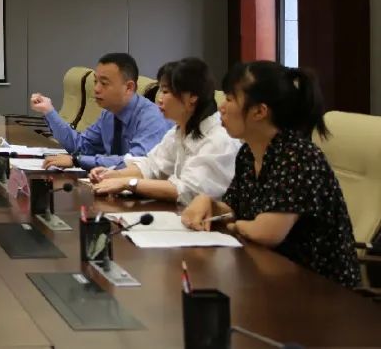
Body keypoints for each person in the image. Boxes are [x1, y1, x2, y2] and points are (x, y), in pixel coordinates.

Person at [181, 61, 360, 289]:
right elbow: (233, 207)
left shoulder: (298, 157)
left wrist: (236, 225)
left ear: (259, 111)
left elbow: (267, 232)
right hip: (267, 276)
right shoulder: (248, 153)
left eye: (230, 99)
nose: (221, 107)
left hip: (319, 288)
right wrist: (209, 203)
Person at [91, 58, 239, 205]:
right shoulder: (179, 130)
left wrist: (128, 183)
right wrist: (114, 175)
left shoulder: (219, 138)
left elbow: (188, 191)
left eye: (166, 92)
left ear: (192, 97)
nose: (159, 99)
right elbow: (152, 166)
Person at [33, 53, 172, 171]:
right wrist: (49, 111)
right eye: (95, 82)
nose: (96, 89)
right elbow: (80, 147)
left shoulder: (152, 118)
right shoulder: (109, 113)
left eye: (104, 83)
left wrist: (77, 160)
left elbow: (135, 163)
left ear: (129, 87)